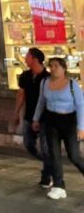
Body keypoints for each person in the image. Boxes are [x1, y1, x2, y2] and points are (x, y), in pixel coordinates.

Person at [32, 57, 84, 200]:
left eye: (56, 66)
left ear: (64, 68)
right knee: (53, 154)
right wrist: (36, 119)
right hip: (51, 121)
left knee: (73, 155)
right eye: (51, 66)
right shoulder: (45, 82)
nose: (53, 68)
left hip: (69, 121)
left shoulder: (72, 84)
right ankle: (59, 186)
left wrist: (81, 127)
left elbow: (80, 105)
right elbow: (41, 101)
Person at [14, 48, 52, 188]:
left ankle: (47, 174)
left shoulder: (47, 77)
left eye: (27, 56)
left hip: (45, 118)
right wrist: (16, 113)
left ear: (35, 59)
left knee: (46, 147)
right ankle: (50, 165)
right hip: (29, 116)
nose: (25, 58)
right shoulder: (25, 76)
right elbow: (21, 95)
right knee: (29, 144)